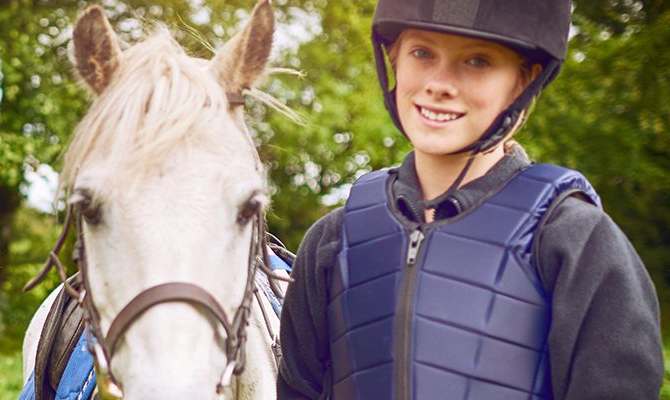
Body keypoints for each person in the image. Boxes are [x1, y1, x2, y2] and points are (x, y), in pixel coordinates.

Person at [276, 1, 661, 399]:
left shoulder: (575, 238)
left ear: (523, 80)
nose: (440, 83)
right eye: (422, 53)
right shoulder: (332, 239)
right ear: (393, 57)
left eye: (477, 61)